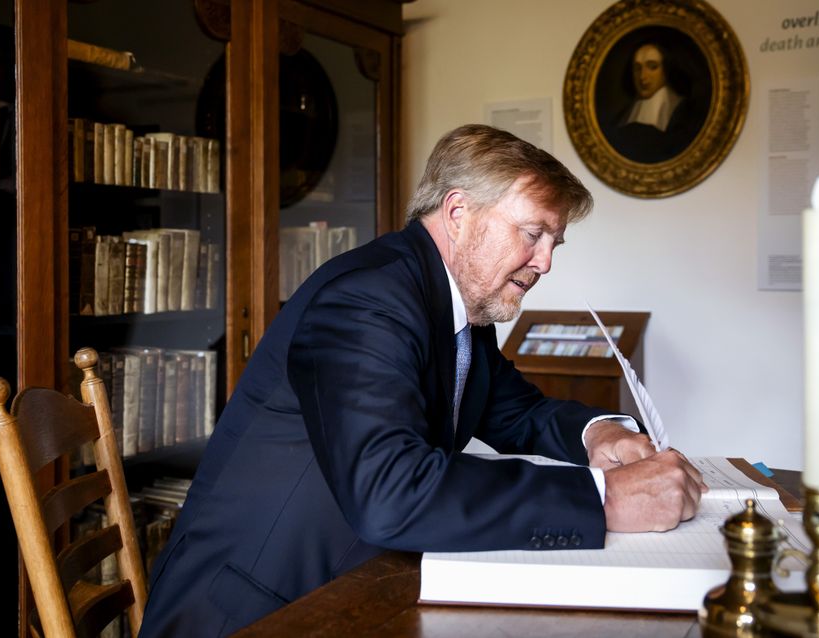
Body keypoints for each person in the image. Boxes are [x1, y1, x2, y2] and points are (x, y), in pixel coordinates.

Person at [139, 124, 706, 637]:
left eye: (554, 243)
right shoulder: (369, 299)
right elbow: (390, 491)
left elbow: (514, 411)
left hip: (360, 581)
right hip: (254, 607)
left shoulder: (459, 300)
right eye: (533, 234)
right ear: (459, 214)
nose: (546, 262)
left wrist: (599, 433)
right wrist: (604, 499)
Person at [603, 41, 704, 163]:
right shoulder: (621, 116)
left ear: (666, 70)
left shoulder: (685, 113)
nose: (642, 76)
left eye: (652, 67)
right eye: (637, 68)